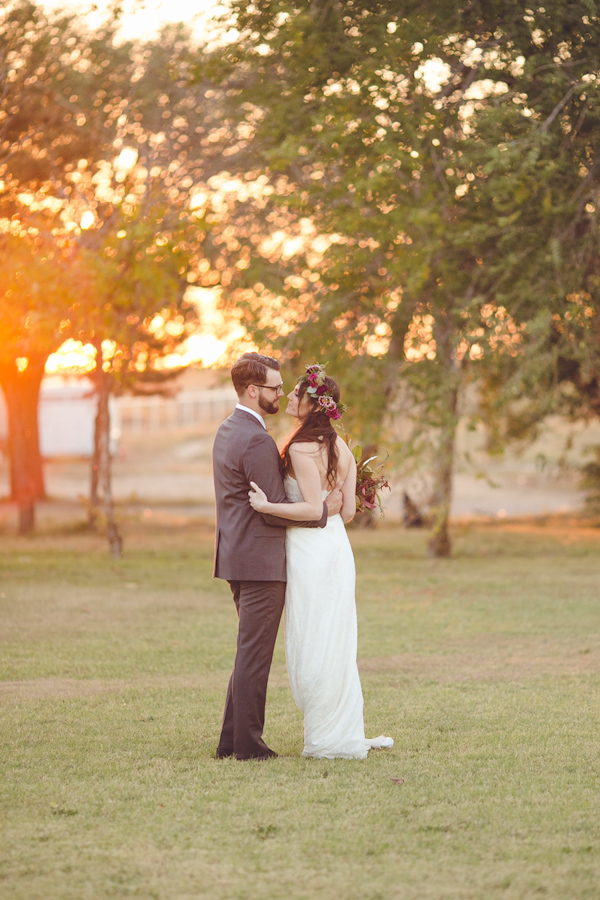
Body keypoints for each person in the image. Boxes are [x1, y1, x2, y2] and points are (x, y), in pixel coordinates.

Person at [248, 364, 393, 759]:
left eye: (297, 394)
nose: (290, 399)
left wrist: (267, 505)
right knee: (335, 639)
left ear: (313, 403)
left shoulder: (299, 447)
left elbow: (313, 508)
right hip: (337, 549)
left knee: (313, 638)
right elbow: (345, 514)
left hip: (310, 549)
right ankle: (336, 729)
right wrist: (324, 507)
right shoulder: (342, 447)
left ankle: (328, 736)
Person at [212, 352, 343, 760]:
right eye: (274, 387)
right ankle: (248, 746)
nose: (281, 393)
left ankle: (230, 740)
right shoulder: (255, 439)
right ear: (253, 391)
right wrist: (326, 509)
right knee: (255, 656)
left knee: (248, 651)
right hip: (261, 563)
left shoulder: (227, 429)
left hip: (237, 556)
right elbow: (272, 509)